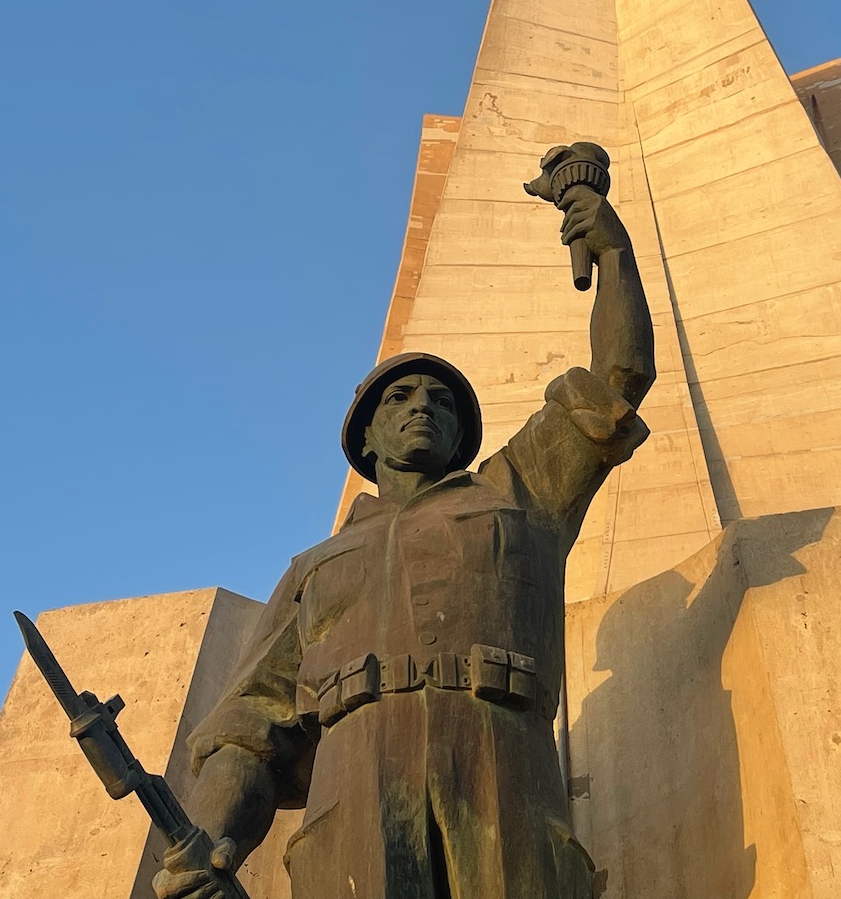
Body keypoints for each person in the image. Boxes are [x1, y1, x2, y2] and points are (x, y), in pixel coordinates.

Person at [154, 175, 655, 899]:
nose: (423, 405)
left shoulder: (519, 493)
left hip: (502, 779)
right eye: (401, 397)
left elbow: (618, 376)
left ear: (461, 432)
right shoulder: (315, 566)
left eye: (441, 400)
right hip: (354, 799)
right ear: (368, 435)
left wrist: (612, 253)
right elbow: (248, 728)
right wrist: (209, 840)